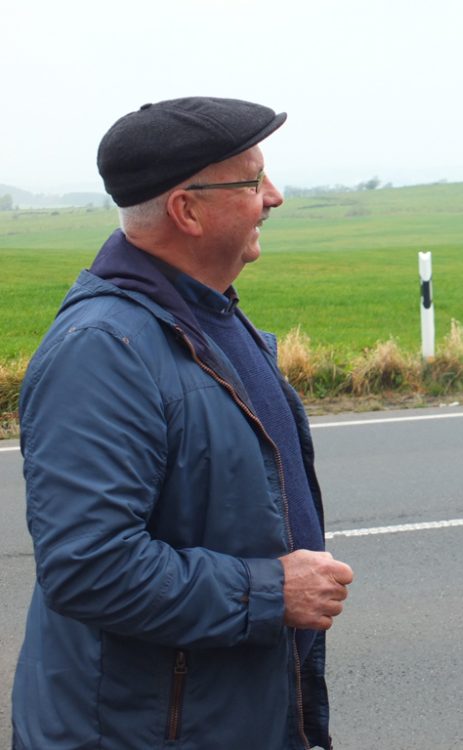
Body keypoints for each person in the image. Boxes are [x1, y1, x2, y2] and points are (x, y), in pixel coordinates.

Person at [12, 97, 354, 750]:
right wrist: (271, 592)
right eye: (253, 180)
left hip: (221, 715)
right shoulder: (104, 351)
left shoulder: (210, 319)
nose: (274, 196)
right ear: (186, 210)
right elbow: (90, 567)